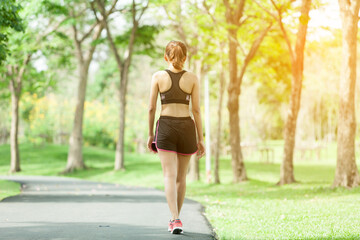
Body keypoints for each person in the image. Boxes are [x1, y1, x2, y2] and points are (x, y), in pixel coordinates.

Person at [147, 40, 205, 234]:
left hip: (165, 127)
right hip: (187, 127)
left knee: (169, 176)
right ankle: (176, 219)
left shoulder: (157, 76)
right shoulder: (193, 79)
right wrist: (201, 138)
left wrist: (149, 134)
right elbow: (196, 110)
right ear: (185, 57)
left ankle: (175, 218)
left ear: (166, 57)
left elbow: (151, 109)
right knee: (181, 177)